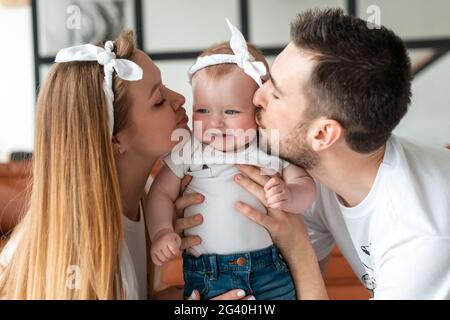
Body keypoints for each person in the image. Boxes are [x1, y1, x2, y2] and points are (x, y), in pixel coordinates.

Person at [233, 8, 450, 299]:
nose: (257, 97)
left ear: (322, 134)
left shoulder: (420, 238)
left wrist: (298, 247)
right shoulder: (317, 178)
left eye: (275, 94)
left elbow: (304, 266)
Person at [145, 20, 316, 300]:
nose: (215, 123)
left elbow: (305, 184)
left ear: (258, 109)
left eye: (231, 112)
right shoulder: (189, 147)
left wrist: (289, 194)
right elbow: (160, 193)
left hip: (269, 270)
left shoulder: (270, 144)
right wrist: (163, 231)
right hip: (209, 274)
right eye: (202, 110)